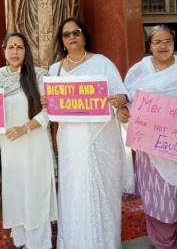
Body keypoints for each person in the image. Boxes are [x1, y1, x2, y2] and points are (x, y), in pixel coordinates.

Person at [118, 25, 177, 249]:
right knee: (158, 208)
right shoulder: (138, 71)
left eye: (168, 41)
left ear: (174, 42)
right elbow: (126, 105)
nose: (163, 46)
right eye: (157, 42)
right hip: (152, 157)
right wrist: (122, 112)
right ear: (149, 45)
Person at [48, 17, 128, 249]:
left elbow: (122, 95)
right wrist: (47, 101)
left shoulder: (102, 63)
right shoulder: (56, 70)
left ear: (84, 36)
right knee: (75, 193)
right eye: (66, 35)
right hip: (71, 142)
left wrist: (120, 101)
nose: (72, 37)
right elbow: (52, 109)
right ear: (62, 41)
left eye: (76, 32)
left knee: (103, 192)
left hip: (101, 140)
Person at [0, 32, 57, 249]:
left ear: (26, 51)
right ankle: (23, 244)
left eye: (19, 47)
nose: (15, 52)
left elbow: (49, 112)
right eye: (10, 47)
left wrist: (25, 128)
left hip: (34, 144)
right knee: (17, 194)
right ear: (4, 51)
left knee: (35, 195)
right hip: (10, 148)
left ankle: (39, 244)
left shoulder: (39, 74)